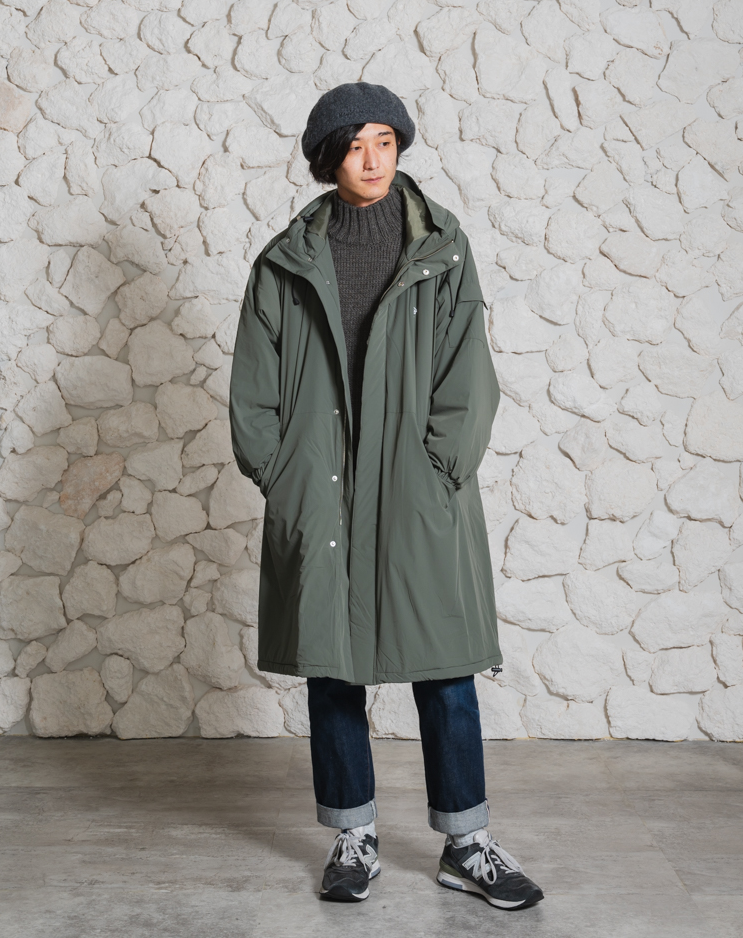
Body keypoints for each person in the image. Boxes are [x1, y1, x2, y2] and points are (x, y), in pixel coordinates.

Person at [229, 82, 543, 911]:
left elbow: (467, 373)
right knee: (332, 670)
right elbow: (254, 383)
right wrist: (279, 472)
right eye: (354, 145)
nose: (371, 159)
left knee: (444, 667)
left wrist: (442, 467)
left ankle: (466, 842)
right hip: (320, 488)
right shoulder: (284, 260)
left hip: (416, 488)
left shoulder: (442, 246)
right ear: (326, 157)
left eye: (385, 142)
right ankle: (352, 836)